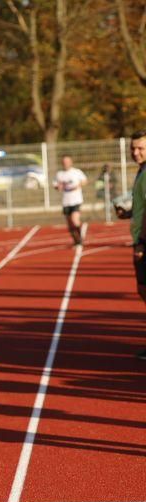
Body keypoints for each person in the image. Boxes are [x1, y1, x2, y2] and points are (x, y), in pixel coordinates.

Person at [115, 130, 146, 360]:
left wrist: (141, 243)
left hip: (145, 241)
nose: (135, 152)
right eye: (133, 148)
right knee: (142, 289)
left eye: (141, 148)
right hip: (141, 238)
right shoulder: (141, 171)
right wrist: (128, 212)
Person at [53, 155, 88, 246]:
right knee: (69, 223)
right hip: (66, 201)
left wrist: (78, 185)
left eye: (67, 162)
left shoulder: (76, 172)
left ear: (71, 162)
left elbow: (85, 181)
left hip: (76, 200)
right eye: (64, 162)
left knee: (75, 220)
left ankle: (80, 239)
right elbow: (55, 185)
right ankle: (75, 240)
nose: (66, 164)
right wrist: (58, 187)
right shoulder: (59, 174)